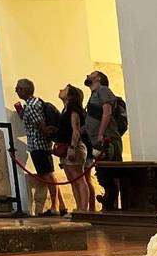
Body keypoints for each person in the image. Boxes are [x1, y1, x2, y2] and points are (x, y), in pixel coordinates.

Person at [14, 78, 66, 216]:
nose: (16, 90)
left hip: (38, 145)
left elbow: (40, 124)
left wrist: (46, 131)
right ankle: (61, 205)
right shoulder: (37, 102)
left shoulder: (30, 106)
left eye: (18, 88)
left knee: (47, 175)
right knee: (49, 174)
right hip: (42, 144)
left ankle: (54, 207)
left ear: (24, 91)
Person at [83, 71, 123, 210]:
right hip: (97, 141)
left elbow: (107, 112)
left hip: (107, 139)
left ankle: (112, 204)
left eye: (91, 74)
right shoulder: (94, 94)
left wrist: (100, 134)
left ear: (98, 78)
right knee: (104, 174)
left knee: (110, 172)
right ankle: (109, 203)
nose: (88, 75)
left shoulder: (103, 90)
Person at [56, 84, 90, 214]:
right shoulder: (65, 109)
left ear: (70, 94)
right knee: (73, 180)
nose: (60, 90)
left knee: (79, 179)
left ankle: (83, 209)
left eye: (64, 89)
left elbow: (76, 130)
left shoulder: (73, 108)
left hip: (74, 146)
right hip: (66, 146)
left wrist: (72, 147)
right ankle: (78, 208)